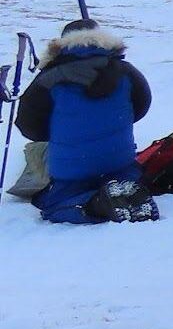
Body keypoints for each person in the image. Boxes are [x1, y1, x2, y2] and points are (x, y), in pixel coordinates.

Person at [12, 19, 157, 223]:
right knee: (125, 175)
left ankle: (97, 203)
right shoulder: (126, 71)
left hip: (72, 171)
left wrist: (61, 132)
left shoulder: (49, 78)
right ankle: (126, 190)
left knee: (52, 205)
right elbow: (142, 106)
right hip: (120, 162)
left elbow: (29, 127)